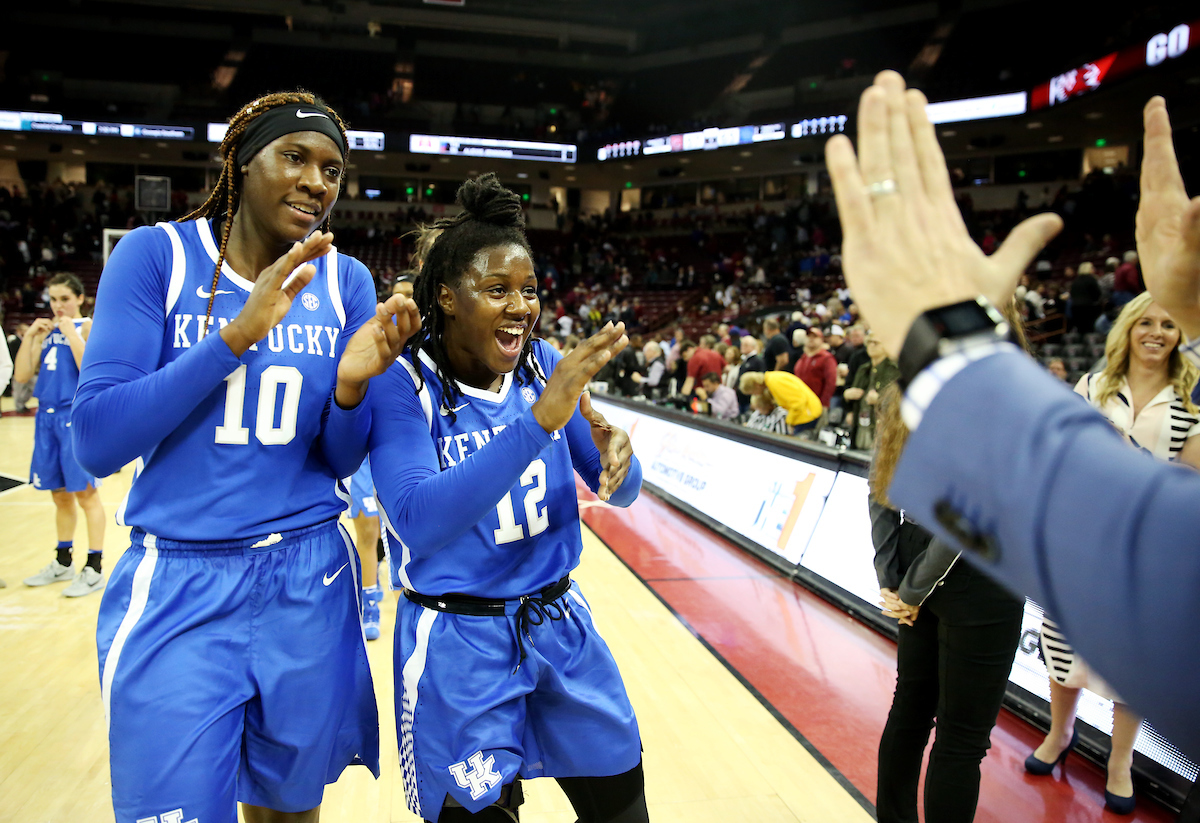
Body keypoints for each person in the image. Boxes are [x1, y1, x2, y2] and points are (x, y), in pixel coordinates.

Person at [824, 72, 1200, 757]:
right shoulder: (1096, 383)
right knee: (937, 726)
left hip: (975, 571)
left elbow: (1149, 557)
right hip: (950, 571)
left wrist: (954, 348)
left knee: (947, 730)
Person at [72, 91, 421, 823]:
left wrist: (353, 387)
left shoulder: (345, 281)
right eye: (295, 156)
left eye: (332, 169)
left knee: (288, 812)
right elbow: (99, 438)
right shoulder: (154, 256)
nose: (316, 182)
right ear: (239, 161)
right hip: (182, 580)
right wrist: (235, 335)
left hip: (307, 577)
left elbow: (334, 457)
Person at [366, 174, 648, 823]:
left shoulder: (542, 362)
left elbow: (622, 490)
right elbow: (415, 519)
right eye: (498, 289)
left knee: (626, 813)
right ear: (448, 295)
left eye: (528, 290)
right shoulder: (404, 385)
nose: (521, 306)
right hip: (458, 643)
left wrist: (618, 452)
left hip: (560, 627)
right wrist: (537, 424)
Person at [1027, 292, 1200, 814]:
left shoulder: (1192, 403)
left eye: (1168, 324)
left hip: (1149, 551)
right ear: (1126, 328)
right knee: (1062, 645)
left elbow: (1189, 479)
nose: (1155, 331)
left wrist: (1125, 454)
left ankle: (1119, 762)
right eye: (1144, 321)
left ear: (1180, 337)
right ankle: (1061, 734)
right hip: (1082, 537)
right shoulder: (1090, 386)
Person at [870, 386, 1024, 823]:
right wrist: (910, 590)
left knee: (911, 710)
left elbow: (878, 486)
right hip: (981, 568)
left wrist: (894, 580)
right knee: (960, 738)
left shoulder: (907, 382)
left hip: (916, 550)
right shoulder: (1000, 394)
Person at [14, 273, 108, 597]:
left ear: (80, 299)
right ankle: (63, 560)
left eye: (65, 299)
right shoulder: (48, 330)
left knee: (86, 494)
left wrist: (71, 334)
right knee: (58, 494)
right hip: (45, 418)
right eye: (53, 299)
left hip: (74, 418)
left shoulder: (85, 327)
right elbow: (23, 376)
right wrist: (31, 339)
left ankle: (94, 567)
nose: (58, 306)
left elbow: (92, 369)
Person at [346, 458, 385, 640]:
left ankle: (373, 569)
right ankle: (369, 608)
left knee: (386, 526)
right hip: (361, 456)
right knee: (368, 529)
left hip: (389, 446)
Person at [843, 333, 900, 450]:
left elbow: (898, 400)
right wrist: (847, 395)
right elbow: (852, 390)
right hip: (860, 420)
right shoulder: (863, 369)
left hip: (880, 424)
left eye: (876, 343)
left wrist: (879, 399)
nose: (871, 346)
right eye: (869, 342)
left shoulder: (894, 370)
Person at [738, 369, 821, 435]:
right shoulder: (772, 378)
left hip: (807, 415)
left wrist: (789, 423)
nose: (755, 395)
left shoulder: (775, 382)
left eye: (753, 392)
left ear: (756, 385)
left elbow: (797, 403)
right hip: (805, 413)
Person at [792, 326, 838, 437]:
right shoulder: (802, 358)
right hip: (800, 405)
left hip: (816, 406)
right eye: (809, 336)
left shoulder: (826, 358)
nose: (811, 339)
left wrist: (824, 404)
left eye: (815, 337)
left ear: (821, 340)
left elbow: (830, 382)